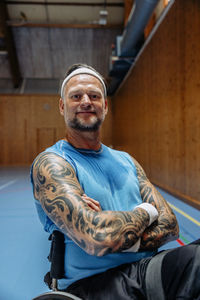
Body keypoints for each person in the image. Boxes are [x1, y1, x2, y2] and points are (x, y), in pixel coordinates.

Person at [31, 63, 200, 300]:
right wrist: (148, 211)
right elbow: (97, 238)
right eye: (76, 96)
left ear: (105, 106)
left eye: (94, 96)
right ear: (62, 106)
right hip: (94, 286)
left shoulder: (127, 161)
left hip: (144, 271)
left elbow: (171, 226)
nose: (86, 101)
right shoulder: (53, 163)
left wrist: (111, 227)